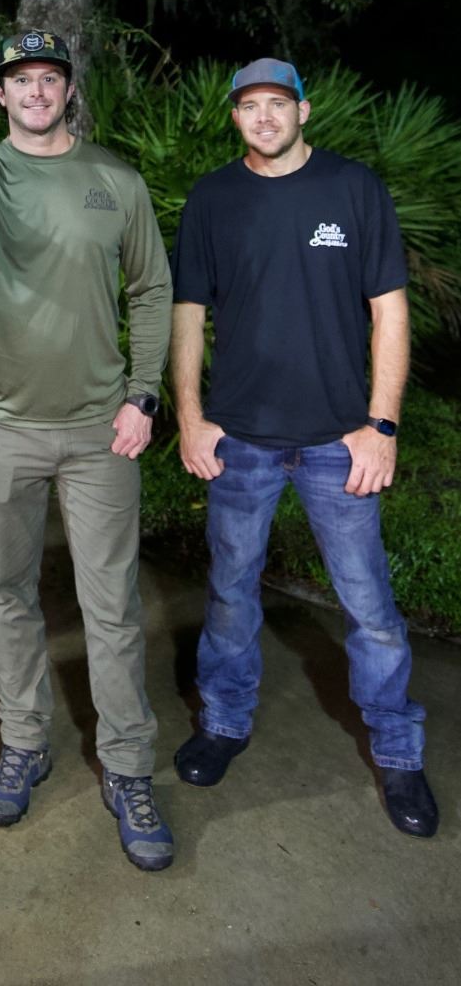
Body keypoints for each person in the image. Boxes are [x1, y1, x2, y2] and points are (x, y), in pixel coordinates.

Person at [0, 29, 175, 870]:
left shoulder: (115, 181)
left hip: (102, 430)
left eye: (48, 78)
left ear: (69, 89)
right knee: (10, 593)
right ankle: (24, 742)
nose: (35, 92)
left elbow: (151, 289)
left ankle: (128, 769)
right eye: (20, 79)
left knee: (112, 606)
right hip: (3, 426)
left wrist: (143, 396)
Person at [170, 57, 436, 838]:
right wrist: (190, 417)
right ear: (233, 116)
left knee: (370, 609)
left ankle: (396, 753)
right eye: (248, 105)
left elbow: (389, 313)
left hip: (336, 443)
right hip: (239, 441)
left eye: (276, 104)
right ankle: (223, 722)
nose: (263, 117)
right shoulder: (212, 199)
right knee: (229, 594)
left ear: (302, 111)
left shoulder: (352, 189)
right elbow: (187, 314)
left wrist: (380, 425)